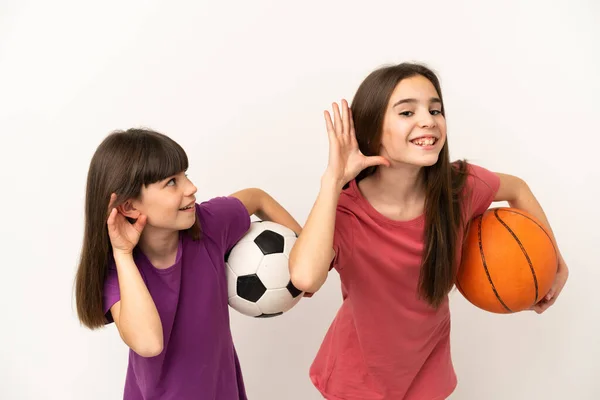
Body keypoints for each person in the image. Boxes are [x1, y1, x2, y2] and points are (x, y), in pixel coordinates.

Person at [289, 62, 569, 400]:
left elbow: (518, 189)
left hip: (427, 372)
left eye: (435, 109)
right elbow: (305, 277)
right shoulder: (345, 212)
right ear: (373, 129)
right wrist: (332, 180)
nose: (429, 120)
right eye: (407, 112)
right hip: (357, 380)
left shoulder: (460, 188)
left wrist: (553, 260)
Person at [74, 128, 302, 400]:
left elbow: (256, 197)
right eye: (172, 182)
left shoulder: (208, 225)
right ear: (129, 207)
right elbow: (149, 343)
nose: (191, 188)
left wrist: (301, 257)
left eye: (186, 175)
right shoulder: (119, 272)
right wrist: (123, 255)